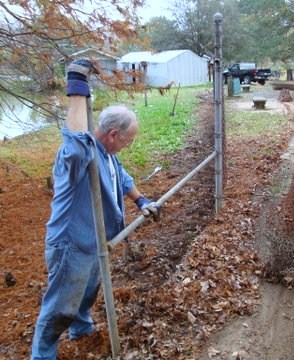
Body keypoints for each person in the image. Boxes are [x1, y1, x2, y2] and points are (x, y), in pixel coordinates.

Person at [30, 60, 160, 359]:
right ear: (113, 135)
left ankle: (81, 329)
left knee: (87, 293)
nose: (128, 145)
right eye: (128, 140)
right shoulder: (79, 158)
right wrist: (77, 84)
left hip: (95, 242)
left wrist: (142, 200)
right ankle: (42, 355)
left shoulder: (108, 155)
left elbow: (122, 178)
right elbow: (76, 142)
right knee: (59, 309)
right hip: (72, 244)